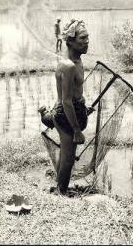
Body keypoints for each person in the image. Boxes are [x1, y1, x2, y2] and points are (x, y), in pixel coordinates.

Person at [39, 19, 89, 195]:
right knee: (68, 158)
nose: (87, 41)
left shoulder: (78, 61)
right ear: (70, 41)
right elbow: (66, 101)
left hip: (74, 111)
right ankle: (61, 194)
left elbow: (75, 94)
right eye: (82, 38)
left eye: (87, 37)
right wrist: (76, 130)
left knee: (66, 154)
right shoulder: (67, 66)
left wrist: (83, 107)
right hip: (67, 115)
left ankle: (59, 188)